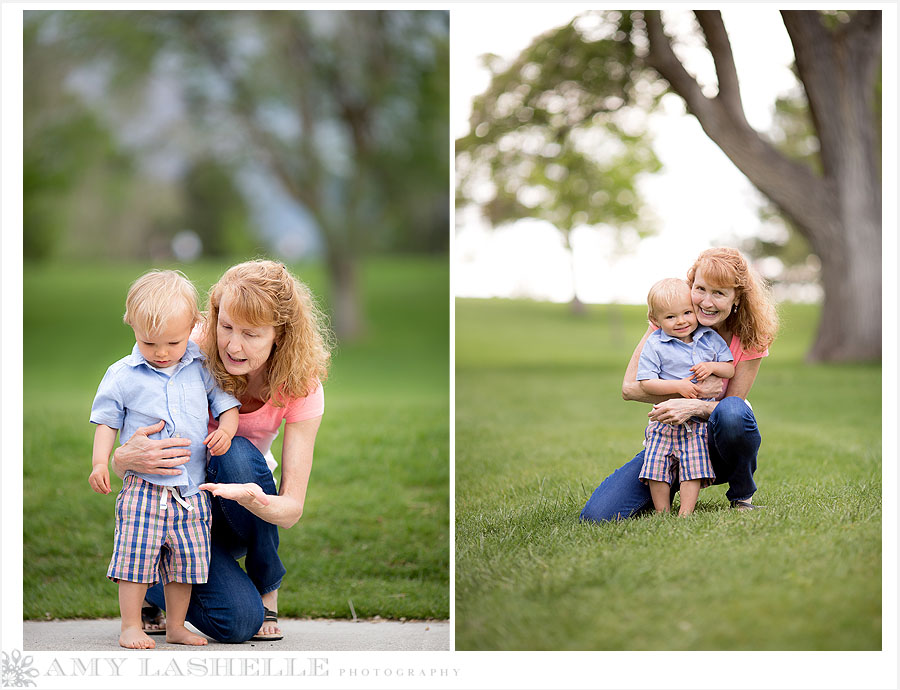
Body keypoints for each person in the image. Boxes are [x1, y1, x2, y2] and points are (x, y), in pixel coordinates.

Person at [108, 260, 330, 643]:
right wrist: (120, 458)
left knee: (236, 454)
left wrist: (253, 498)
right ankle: (150, 573)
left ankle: (267, 589)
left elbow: (291, 510)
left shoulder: (301, 386)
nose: (232, 344)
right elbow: (126, 398)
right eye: (225, 326)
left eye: (251, 334)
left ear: (280, 334)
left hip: (237, 509)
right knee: (239, 623)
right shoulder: (184, 347)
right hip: (179, 507)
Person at [89, 270, 241, 649]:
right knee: (135, 557)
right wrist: (99, 463)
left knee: (185, 563)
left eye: (173, 342)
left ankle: (175, 625)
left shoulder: (202, 365)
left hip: (190, 491)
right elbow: (107, 422)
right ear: (132, 327)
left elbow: (226, 404)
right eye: (148, 342)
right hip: (144, 488)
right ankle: (130, 625)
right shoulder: (122, 375)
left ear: (193, 326)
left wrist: (227, 428)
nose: (160, 352)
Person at [580, 247, 779, 522]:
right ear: (691, 285)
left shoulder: (750, 336)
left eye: (719, 293)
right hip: (669, 440)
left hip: (715, 445)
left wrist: (692, 406)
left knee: (734, 411)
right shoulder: (671, 321)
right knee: (597, 515)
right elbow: (629, 388)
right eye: (701, 289)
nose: (706, 302)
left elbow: (731, 405)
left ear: (736, 298)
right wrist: (686, 393)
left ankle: (741, 496)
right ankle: (666, 486)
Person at [636, 278, 735, 516]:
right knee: (656, 467)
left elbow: (729, 369)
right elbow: (645, 382)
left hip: (697, 422)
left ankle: (686, 514)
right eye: (670, 317)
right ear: (655, 320)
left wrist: (712, 366)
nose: (681, 321)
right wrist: (679, 386)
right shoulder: (655, 344)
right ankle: (662, 512)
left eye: (687, 312)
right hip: (664, 420)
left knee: (694, 466)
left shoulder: (709, 338)